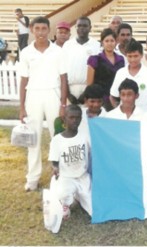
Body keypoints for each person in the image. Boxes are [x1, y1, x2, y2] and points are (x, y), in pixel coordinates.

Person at [18, 16, 68, 191]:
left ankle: (61, 174)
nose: (40, 32)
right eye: (37, 29)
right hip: (33, 96)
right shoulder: (26, 52)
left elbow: (63, 79)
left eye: (43, 29)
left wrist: (63, 104)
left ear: (49, 30)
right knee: (34, 138)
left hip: (53, 93)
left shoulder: (57, 51)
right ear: (32, 30)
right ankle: (33, 177)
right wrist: (22, 107)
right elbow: (24, 81)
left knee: (58, 135)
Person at [48, 104, 92, 218]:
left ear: (81, 119)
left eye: (77, 118)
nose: (75, 121)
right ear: (64, 119)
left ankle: (78, 196)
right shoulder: (57, 140)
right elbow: (54, 159)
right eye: (71, 117)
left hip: (83, 176)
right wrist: (55, 167)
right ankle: (65, 204)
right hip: (67, 177)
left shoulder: (85, 136)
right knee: (63, 193)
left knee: (93, 210)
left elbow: (93, 152)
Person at [110, 39, 147, 111]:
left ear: (141, 55)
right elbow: (113, 96)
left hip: (145, 117)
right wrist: (119, 112)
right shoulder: (120, 73)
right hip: (126, 118)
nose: (132, 60)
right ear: (126, 55)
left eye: (135, 56)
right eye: (130, 56)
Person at [62, 16, 100, 103]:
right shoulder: (67, 45)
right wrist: (67, 93)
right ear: (75, 27)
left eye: (85, 26)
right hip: (70, 89)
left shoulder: (96, 45)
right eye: (79, 26)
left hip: (89, 89)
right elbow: (62, 69)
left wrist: (87, 92)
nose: (82, 28)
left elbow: (98, 70)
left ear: (90, 28)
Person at [87, 28, 125, 111]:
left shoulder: (121, 59)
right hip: (100, 101)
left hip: (117, 99)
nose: (109, 43)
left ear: (116, 42)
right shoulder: (94, 59)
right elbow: (89, 84)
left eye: (112, 41)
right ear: (102, 43)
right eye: (106, 41)